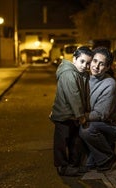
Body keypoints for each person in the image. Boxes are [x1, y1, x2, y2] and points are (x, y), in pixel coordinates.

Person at [79, 46, 116, 172]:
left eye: (102, 64)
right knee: (89, 165)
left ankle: (108, 158)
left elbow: (101, 114)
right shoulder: (85, 78)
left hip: (113, 124)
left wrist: (80, 117)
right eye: (95, 61)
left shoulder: (109, 84)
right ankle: (105, 147)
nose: (96, 66)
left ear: (107, 67)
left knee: (86, 130)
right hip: (95, 122)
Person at [49, 46, 93, 176]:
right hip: (65, 115)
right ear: (74, 59)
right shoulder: (68, 73)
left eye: (88, 63)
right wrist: (81, 115)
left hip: (72, 115)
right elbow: (73, 95)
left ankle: (74, 165)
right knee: (61, 142)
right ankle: (62, 167)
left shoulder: (80, 73)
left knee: (75, 140)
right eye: (82, 61)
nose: (85, 65)